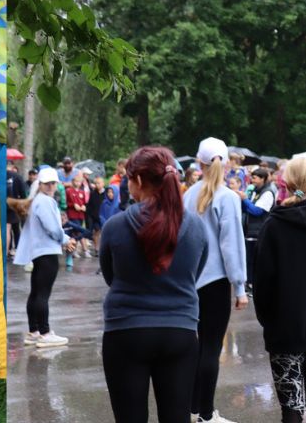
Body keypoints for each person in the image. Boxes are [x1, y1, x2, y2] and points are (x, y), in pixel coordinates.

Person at [100, 146, 209, 423]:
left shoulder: (115, 226)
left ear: (137, 180)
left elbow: (110, 276)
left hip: (126, 330)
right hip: (180, 331)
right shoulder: (196, 227)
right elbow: (195, 273)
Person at [251, 157, 306, 423]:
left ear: (286, 183)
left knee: (290, 404)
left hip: (284, 324)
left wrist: (267, 319)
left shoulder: (274, 225)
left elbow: (262, 280)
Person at [183, 138, 249, 423]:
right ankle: (207, 414)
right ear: (227, 164)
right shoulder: (228, 198)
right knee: (211, 348)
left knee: (196, 348)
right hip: (217, 280)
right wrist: (240, 286)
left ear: (199, 163)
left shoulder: (188, 195)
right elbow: (231, 244)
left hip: (189, 279)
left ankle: (193, 408)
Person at [13, 164, 68, 348]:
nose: (51, 186)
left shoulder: (36, 200)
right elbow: (53, 228)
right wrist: (65, 239)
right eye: (47, 183)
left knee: (36, 292)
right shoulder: (45, 201)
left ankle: (34, 331)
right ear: (41, 184)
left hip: (39, 251)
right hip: (48, 251)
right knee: (42, 294)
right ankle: (45, 333)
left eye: (53, 183)